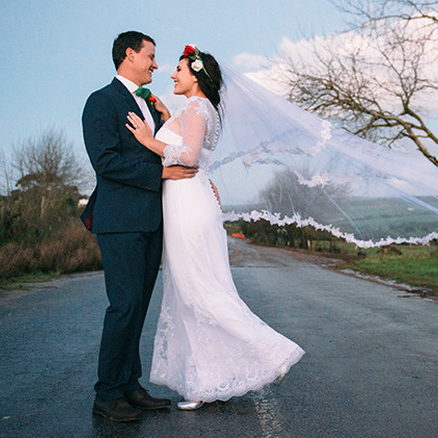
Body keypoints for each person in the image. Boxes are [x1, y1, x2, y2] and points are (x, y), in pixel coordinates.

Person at [126, 45, 305, 411]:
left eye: (178, 69)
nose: (172, 74)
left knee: (198, 292)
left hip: (188, 206)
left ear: (196, 75)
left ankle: (274, 352)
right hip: (189, 201)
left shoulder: (195, 108)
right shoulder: (199, 109)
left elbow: (189, 156)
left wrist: (148, 139)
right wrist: (164, 118)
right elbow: (194, 150)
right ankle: (202, 383)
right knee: (192, 293)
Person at [81, 31, 198, 422]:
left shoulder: (150, 103)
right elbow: (107, 163)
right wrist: (161, 172)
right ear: (130, 55)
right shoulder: (101, 102)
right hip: (120, 221)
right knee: (124, 305)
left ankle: (130, 384)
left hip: (152, 221)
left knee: (139, 307)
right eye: (150, 56)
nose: (155, 64)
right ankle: (107, 393)